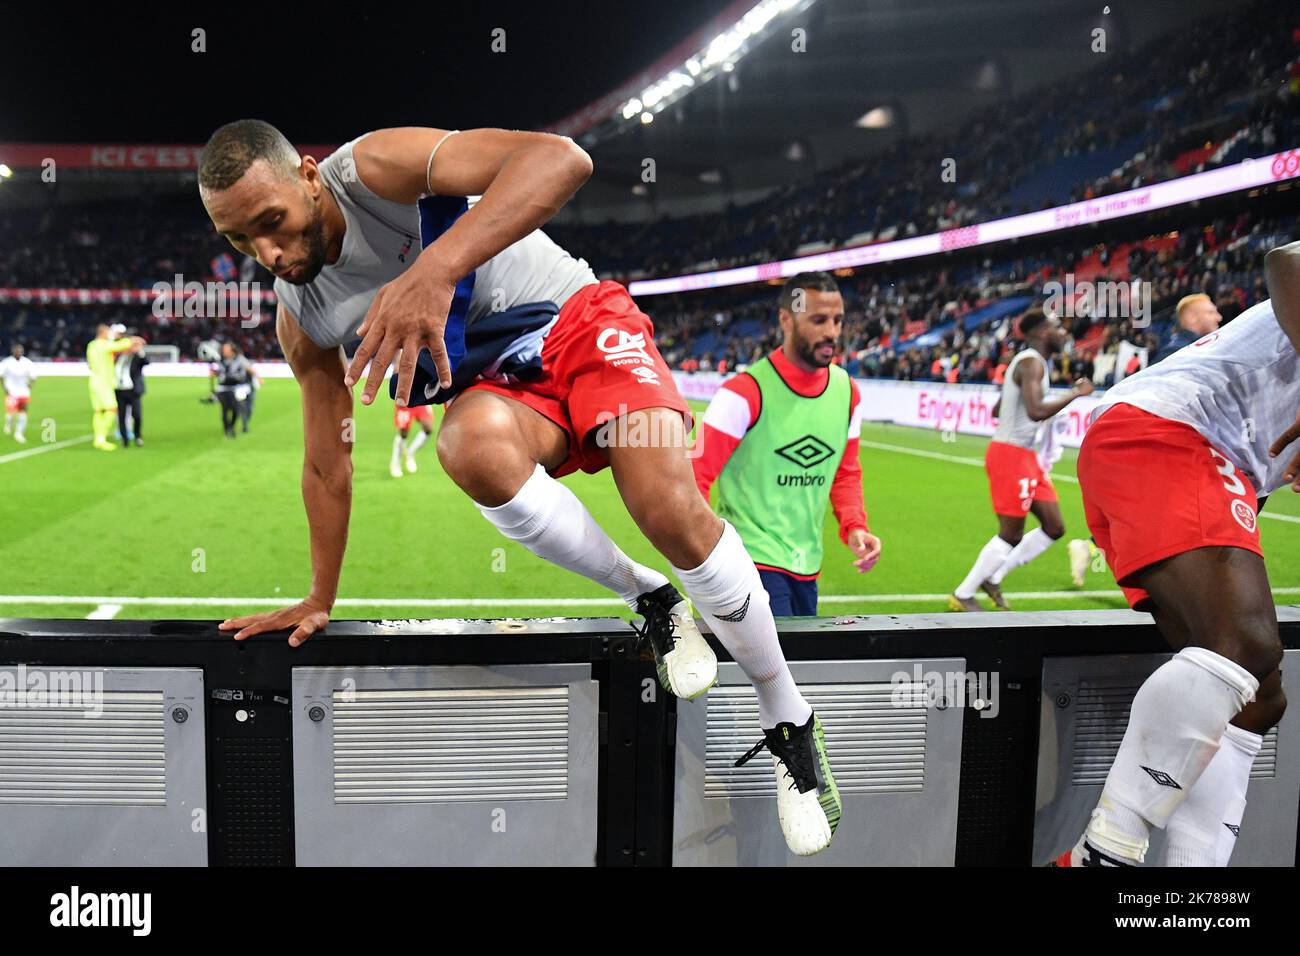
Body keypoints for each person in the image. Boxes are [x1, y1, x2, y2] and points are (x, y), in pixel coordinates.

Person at [199, 120, 840, 855]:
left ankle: (789, 721)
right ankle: (651, 598)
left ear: (308, 178)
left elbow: (561, 160)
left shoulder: (373, 167)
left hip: (578, 319)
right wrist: (319, 597)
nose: (269, 255)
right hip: (500, 385)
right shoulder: (304, 318)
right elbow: (327, 462)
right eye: (240, 241)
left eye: (271, 222)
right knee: (466, 446)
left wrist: (431, 273)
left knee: (666, 506)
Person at [1053, 242, 1299, 867]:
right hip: (1166, 431)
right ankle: (1103, 852)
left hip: (1195, 460)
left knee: (1256, 694)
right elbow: (1287, 259)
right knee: (1244, 645)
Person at [693, 272, 881, 616]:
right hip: (750, 564)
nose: (832, 333)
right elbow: (694, 477)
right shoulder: (743, 393)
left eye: (837, 321)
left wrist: (855, 526)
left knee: (797, 665)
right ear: (786, 319)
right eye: (819, 320)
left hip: (807, 564)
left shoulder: (848, 392)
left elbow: (845, 472)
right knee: (778, 667)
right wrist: (707, 558)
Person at [949, 309, 1093, 611]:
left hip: (1025, 456)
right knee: (1010, 533)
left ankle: (995, 576)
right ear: (1042, 333)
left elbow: (998, 410)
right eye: (1058, 327)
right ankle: (963, 593)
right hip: (1011, 454)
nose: (1064, 333)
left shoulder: (1030, 363)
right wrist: (1076, 393)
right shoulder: (1031, 363)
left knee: (1054, 527)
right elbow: (1036, 411)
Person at [86, 325, 144, 451]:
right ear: (102, 333)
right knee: (112, 409)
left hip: (94, 381)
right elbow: (118, 346)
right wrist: (133, 340)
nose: (110, 335)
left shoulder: (91, 345)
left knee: (99, 411)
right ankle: (101, 438)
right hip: (104, 383)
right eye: (108, 332)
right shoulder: (103, 344)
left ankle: (98, 439)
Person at [1151, 292, 1222, 364]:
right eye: (1210, 312)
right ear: (1191, 317)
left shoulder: (1201, 349)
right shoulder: (1175, 354)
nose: (1219, 318)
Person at [211, 342, 257, 437]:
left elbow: (242, 374)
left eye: (227, 349)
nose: (225, 351)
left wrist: (230, 377)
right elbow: (219, 373)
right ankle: (227, 430)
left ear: (232, 350)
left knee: (236, 409)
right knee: (224, 409)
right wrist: (214, 373)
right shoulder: (220, 361)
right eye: (224, 349)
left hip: (235, 388)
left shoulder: (239, 360)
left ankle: (232, 426)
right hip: (222, 389)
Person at [113, 336, 149, 447]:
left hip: (133, 391)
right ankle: (125, 439)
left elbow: (146, 362)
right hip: (119, 390)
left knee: (137, 415)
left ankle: (138, 436)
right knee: (121, 416)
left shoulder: (136, 358)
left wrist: (140, 350)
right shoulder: (118, 358)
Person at [1, 343, 37, 444]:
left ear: (22, 351)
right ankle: (8, 424)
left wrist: (30, 385)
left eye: (20, 351)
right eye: (16, 350)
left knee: (23, 412)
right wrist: (4, 387)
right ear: (13, 351)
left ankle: (19, 433)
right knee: (11, 413)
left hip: (23, 392)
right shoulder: (6, 362)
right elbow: (1, 375)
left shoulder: (27, 363)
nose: (18, 352)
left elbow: (33, 376)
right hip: (11, 391)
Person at [390, 403, 435, 478]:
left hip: (421, 401)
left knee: (428, 428)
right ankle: (395, 463)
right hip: (405, 402)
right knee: (403, 434)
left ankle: (410, 453)